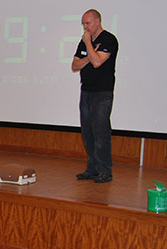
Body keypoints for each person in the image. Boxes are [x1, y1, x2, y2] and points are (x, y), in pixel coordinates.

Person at [71, 9, 118, 184]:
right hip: (86, 91)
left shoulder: (109, 40)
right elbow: (75, 65)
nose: (85, 27)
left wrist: (89, 47)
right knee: (87, 132)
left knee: (101, 132)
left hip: (102, 93)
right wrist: (90, 56)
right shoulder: (84, 42)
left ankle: (105, 170)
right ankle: (92, 169)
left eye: (88, 23)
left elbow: (98, 62)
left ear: (97, 21)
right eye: (83, 23)